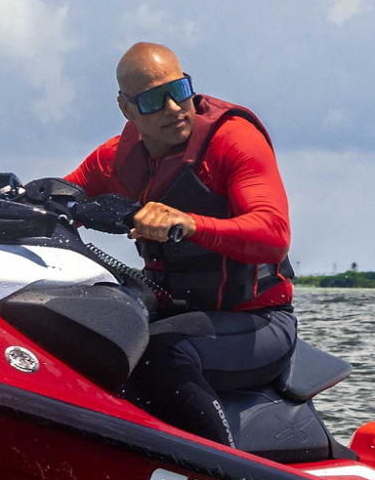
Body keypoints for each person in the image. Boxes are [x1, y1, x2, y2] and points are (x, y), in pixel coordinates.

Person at [62, 42, 297, 446]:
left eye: (180, 90)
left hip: (260, 324)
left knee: (160, 354)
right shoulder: (114, 159)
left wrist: (187, 223)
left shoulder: (232, 140)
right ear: (127, 109)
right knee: (86, 327)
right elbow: (60, 198)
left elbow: (273, 234)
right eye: (155, 99)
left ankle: (228, 479)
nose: (174, 107)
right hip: (178, 312)